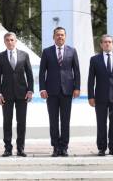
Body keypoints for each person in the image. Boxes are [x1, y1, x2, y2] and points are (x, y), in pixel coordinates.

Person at [39, 27, 80, 157]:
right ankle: (56, 147)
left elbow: (76, 71)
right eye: (57, 35)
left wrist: (77, 88)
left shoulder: (72, 51)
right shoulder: (46, 52)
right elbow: (42, 72)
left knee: (65, 120)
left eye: (62, 35)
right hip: (51, 91)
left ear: (65, 37)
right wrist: (42, 88)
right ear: (53, 37)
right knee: (53, 120)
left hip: (67, 91)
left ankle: (64, 147)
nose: (60, 37)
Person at [88, 34, 113, 156]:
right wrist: (91, 96)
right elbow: (91, 79)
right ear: (101, 44)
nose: (107, 44)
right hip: (100, 97)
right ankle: (101, 148)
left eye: (110, 42)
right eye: (105, 42)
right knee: (101, 123)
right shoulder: (94, 59)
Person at [0, 32, 34, 157]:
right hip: (6, 95)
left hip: (22, 94)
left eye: (12, 40)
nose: (10, 42)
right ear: (4, 42)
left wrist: (30, 90)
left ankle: (20, 148)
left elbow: (29, 75)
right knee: (7, 122)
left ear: (15, 41)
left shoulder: (24, 55)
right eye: (7, 40)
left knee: (21, 122)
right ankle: (7, 148)